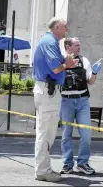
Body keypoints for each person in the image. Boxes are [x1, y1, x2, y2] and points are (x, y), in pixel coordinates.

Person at [32, 17, 77, 182]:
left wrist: (65, 62)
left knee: (46, 132)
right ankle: (43, 171)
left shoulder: (48, 41)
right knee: (46, 133)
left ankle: (44, 168)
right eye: (65, 27)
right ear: (57, 27)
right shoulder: (50, 42)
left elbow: (56, 65)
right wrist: (67, 65)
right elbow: (56, 68)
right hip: (48, 92)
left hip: (47, 90)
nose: (66, 30)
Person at [59, 37, 102, 175]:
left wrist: (94, 72)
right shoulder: (61, 61)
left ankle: (83, 163)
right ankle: (68, 164)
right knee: (66, 135)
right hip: (66, 101)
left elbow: (91, 81)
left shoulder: (84, 61)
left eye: (79, 45)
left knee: (86, 134)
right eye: (77, 45)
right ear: (68, 47)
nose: (79, 47)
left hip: (83, 101)